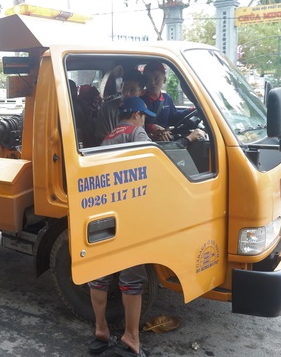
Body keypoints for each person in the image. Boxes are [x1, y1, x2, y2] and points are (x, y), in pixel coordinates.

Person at [88, 97, 203, 357]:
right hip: (130, 212)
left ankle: (100, 330)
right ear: (137, 115)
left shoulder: (109, 135)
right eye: (145, 116)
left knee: (99, 271)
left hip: (105, 211)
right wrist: (188, 140)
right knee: (131, 279)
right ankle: (130, 338)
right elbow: (157, 163)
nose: (146, 120)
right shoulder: (137, 132)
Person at [141, 61, 192, 141]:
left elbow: (173, 116)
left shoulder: (167, 99)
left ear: (164, 80)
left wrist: (191, 110)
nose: (152, 83)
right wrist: (151, 127)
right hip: (147, 140)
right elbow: (134, 124)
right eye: (148, 79)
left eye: (156, 78)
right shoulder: (140, 100)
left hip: (164, 139)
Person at [94, 69, 147, 144]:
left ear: (142, 92)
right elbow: (103, 140)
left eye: (132, 90)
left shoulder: (140, 108)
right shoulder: (107, 109)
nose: (127, 94)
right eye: (124, 88)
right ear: (121, 87)